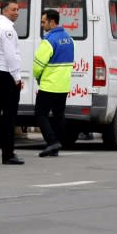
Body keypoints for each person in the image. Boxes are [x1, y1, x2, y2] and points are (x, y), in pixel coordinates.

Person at [0, 0, 24, 165]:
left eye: (17, 10)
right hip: (5, 74)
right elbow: (10, 55)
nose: (16, 12)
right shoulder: (7, 29)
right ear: (4, 10)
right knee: (9, 117)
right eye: (13, 9)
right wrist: (17, 77)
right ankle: (8, 154)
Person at [34, 9, 74, 158]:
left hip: (49, 85)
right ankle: (56, 146)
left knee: (40, 114)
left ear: (52, 22)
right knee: (59, 116)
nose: (42, 25)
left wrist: (38, 77)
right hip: (63, 86)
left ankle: (52, 142)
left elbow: (38, 65)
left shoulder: (48, 40)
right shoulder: (69, 39)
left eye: (44, 22)